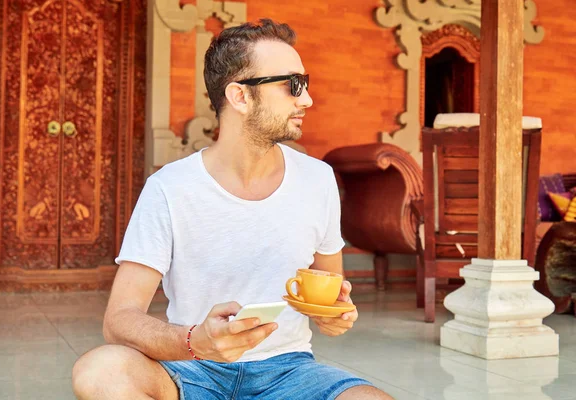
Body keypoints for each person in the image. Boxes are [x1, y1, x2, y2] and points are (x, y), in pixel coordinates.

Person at [72, 18, 393, 400]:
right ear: (240, 96)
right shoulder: (169, 188)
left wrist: (334, 315)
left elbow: (330, 294)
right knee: (100, 371)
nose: (306, 99)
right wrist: (195, 342)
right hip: (191, 368)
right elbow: (119, 320)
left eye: (305, 84)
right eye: (292, 85)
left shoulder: (318, 179)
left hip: (288, 371)